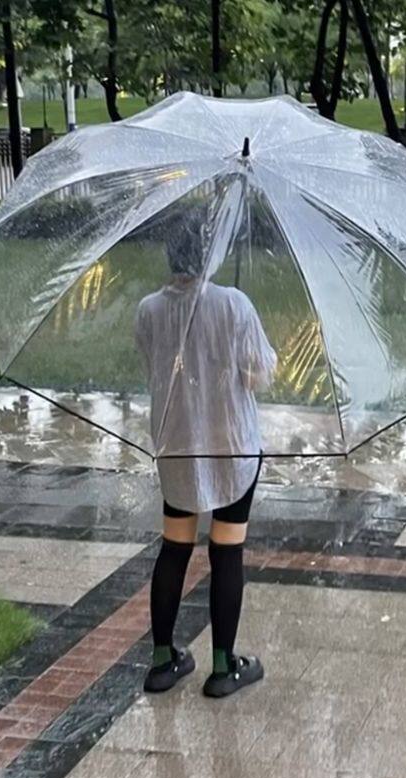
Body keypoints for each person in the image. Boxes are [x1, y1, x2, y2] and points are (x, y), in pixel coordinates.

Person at [135, 212, 277, 695]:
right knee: (227, 548)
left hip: (177, 447)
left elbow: (152, 365)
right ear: (211, 254)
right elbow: (260, 372)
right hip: (232, 446)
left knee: (174, 546)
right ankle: (223, 664)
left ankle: (162, 659)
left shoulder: (149, 309)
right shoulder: (234, 305)